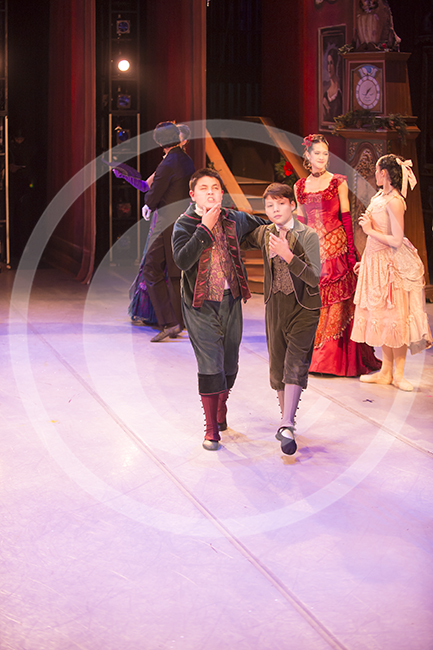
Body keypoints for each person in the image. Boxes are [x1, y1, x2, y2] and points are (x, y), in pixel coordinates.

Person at [172, 168, 267, 451]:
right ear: (193, 195)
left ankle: (221, 406)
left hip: (230, 300)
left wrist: (277, 232)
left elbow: (262, 225)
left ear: (222, 193)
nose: (210, 192)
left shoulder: (234, 218)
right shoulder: (184, 224)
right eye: (203, 188)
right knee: (210, 363)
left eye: (215, 187)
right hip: (200, 304)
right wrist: (204, 228)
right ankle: (211, 428)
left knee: (229, 364)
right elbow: (182, 261)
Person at [243, 183, 321, 455]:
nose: (275, 209)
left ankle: (287, 424)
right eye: (269, 205)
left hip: (304, 308)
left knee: (294, 363)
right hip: (275, 306)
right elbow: (240, 234)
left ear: (292, 205)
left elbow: (314, 277)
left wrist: (289, 256)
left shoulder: (308, 235)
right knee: (277, 367)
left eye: (281, 203)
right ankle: (286, 420)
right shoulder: (265, 233)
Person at [295, 133, 381, 376]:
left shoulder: (338, 182)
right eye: (317, 153)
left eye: (325, 153)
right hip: (312, 248)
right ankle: (315, 356)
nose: (322, 157)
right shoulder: (299, 186)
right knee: (315, 301)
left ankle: (334, 360)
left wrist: (351, 254)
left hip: (336, 247)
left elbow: (346, 218)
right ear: (307, 155)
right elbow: (300, 222)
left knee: (338, 303)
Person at [351, 154, 432, 390]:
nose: (375, 175)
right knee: (385, 319)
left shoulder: (395, 201)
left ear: (384, 173)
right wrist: (365, 261)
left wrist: (368, 230)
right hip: (376, 261)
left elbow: (396, 239)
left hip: (391, 265)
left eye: (377, 171)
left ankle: (399, 375)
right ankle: (386, 373)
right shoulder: (379, 196)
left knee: (397, 318)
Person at [323, 48, 343, 122]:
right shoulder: (325, 94)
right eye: (328, 63)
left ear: (336, 64)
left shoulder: (340, 91)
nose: (329, 67)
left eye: (331, 63)